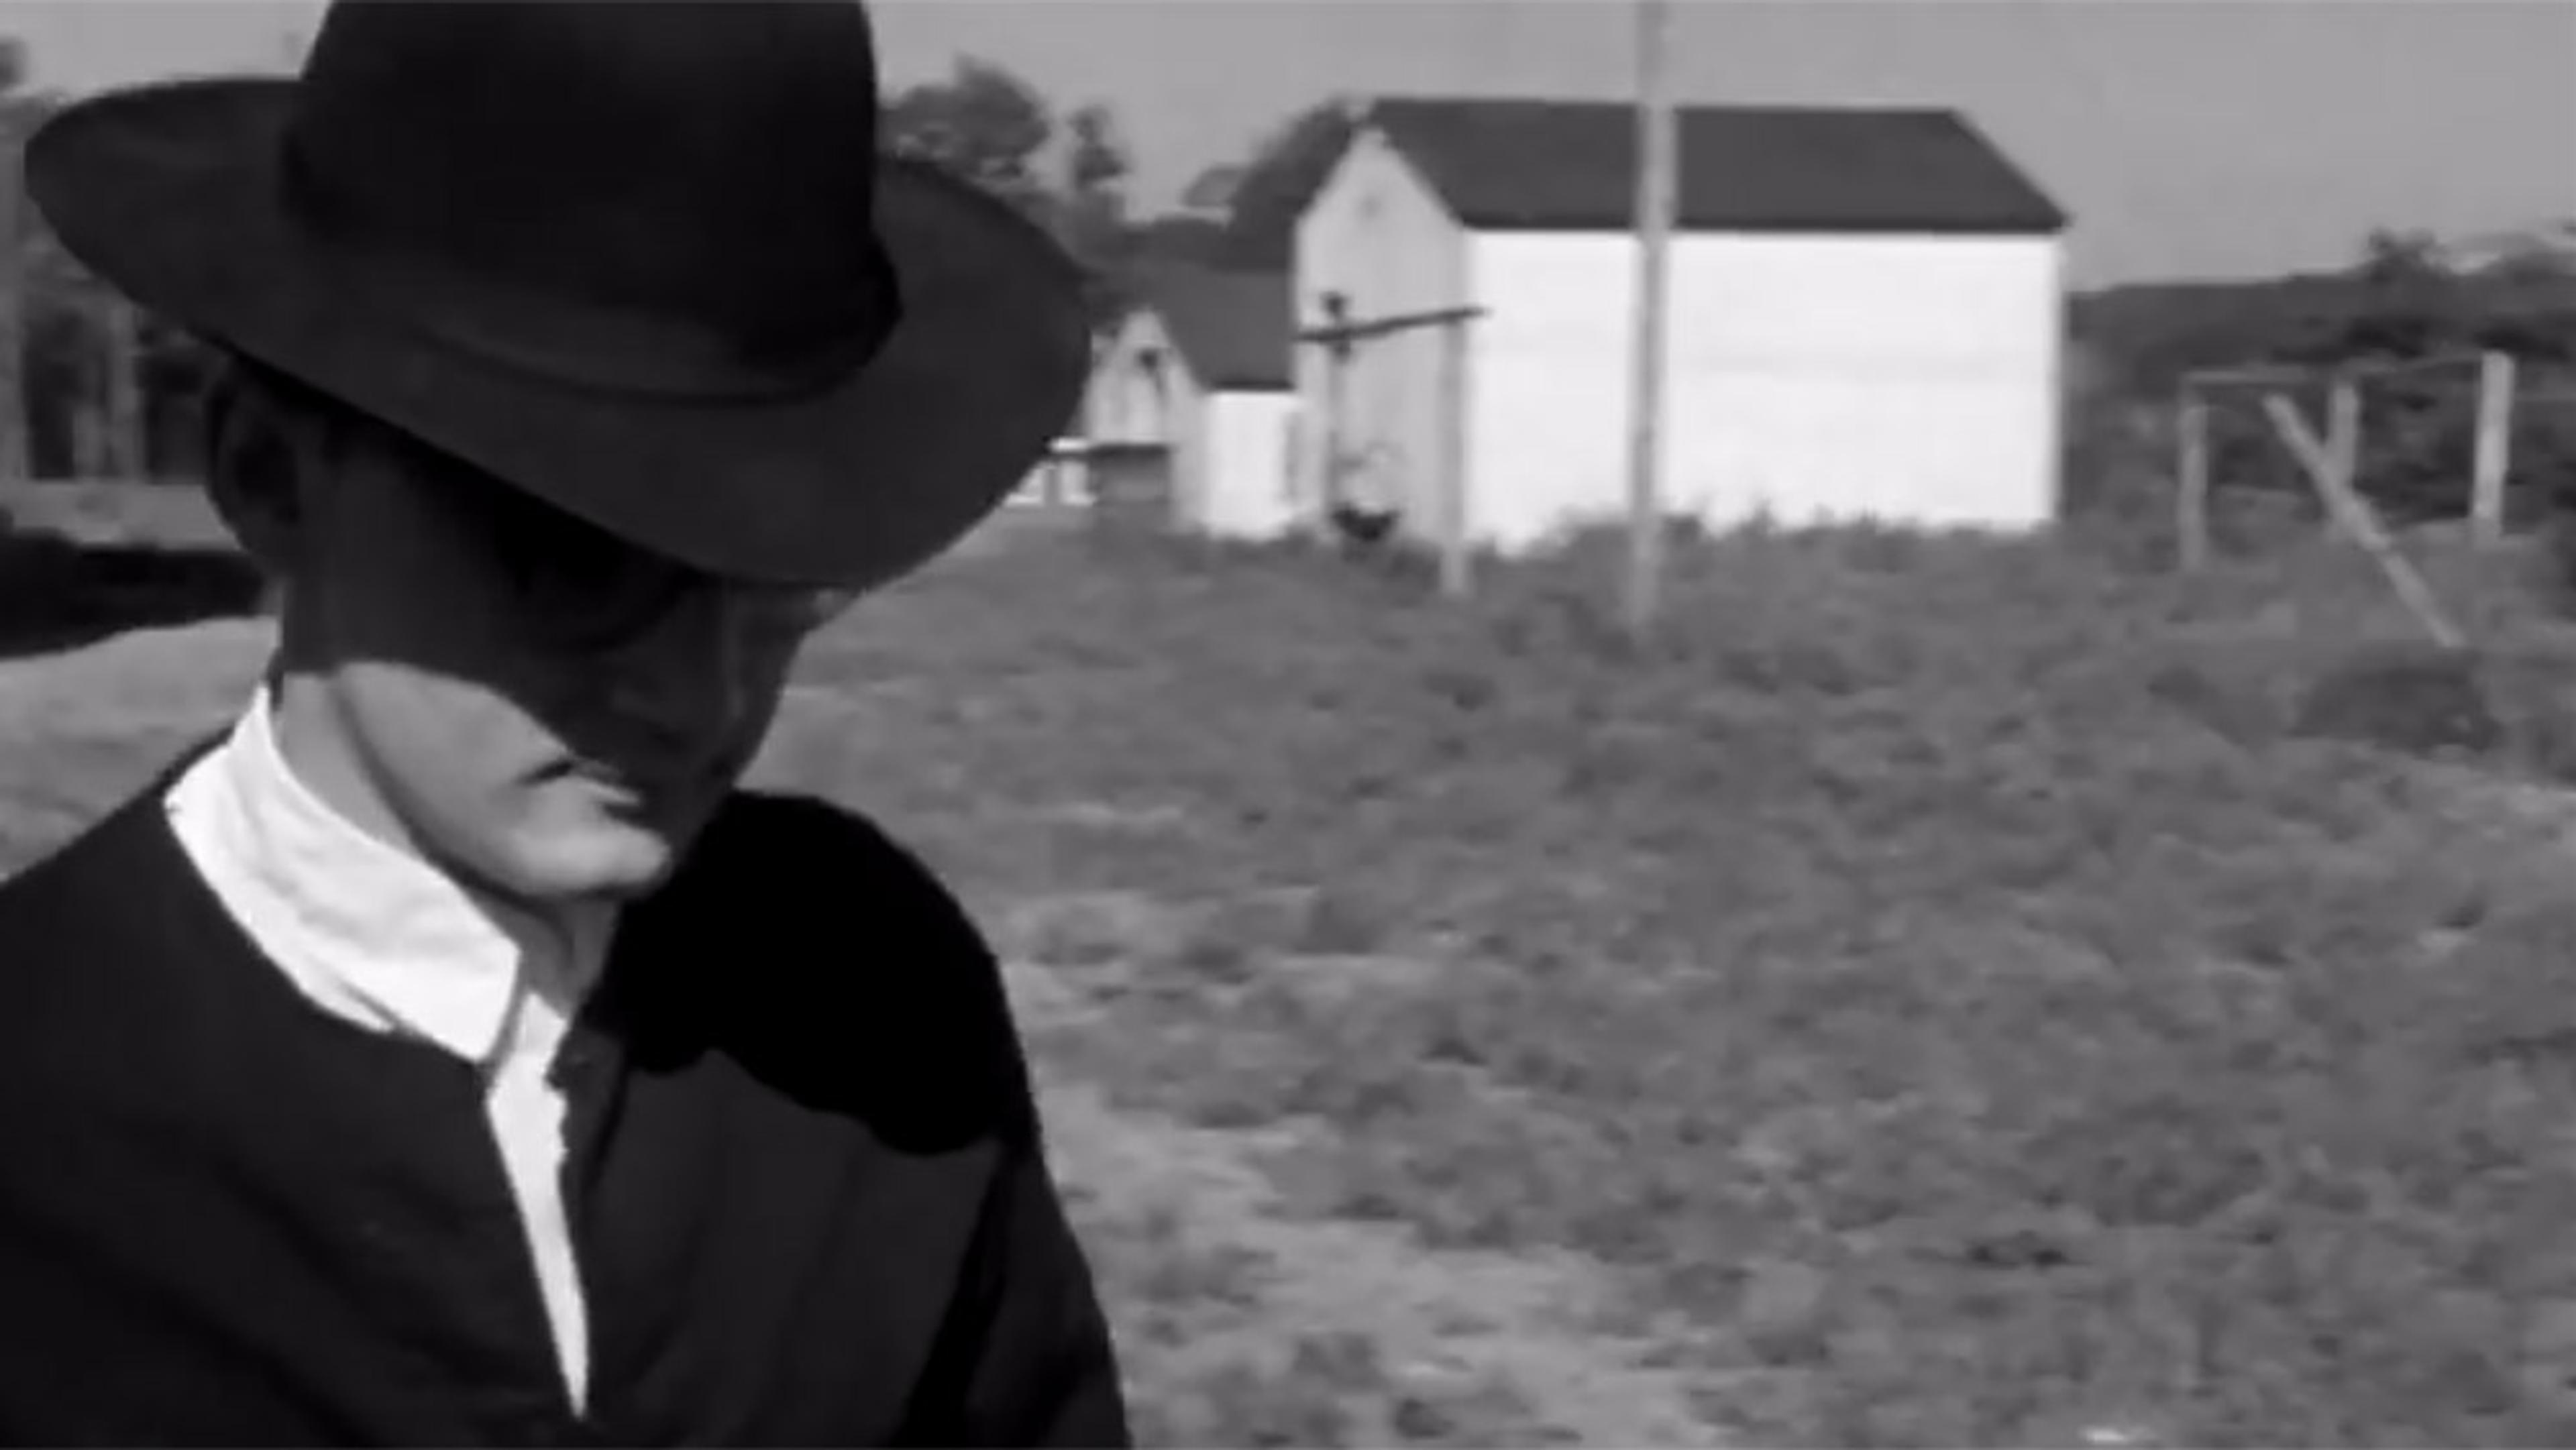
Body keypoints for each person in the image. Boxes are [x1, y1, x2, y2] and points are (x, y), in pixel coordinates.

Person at [0, 3, 1130, 1445]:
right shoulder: (36, 1109)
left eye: (779, 581)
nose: (702, 692)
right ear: (269, 475)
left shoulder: (869, 999)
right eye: (570, 554)